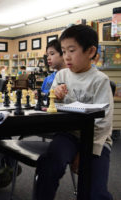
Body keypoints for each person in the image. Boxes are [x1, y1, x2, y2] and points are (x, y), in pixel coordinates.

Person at [35, 24, 113, 200]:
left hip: (96, 139)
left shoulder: (100, 80)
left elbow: (104, 122)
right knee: (49, 165)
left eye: (72, 50)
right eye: (63, 51)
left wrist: (86, 150)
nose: (66, 57)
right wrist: (56, 96)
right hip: (68, 135)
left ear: (91, 51)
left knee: (95, 191)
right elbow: (51, 106)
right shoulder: (62, 76)